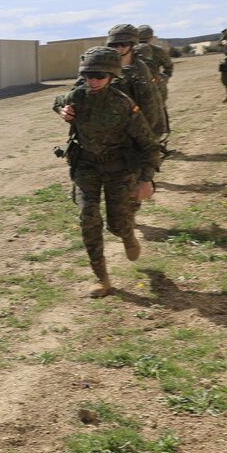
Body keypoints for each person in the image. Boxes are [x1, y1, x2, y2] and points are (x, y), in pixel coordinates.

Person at [53, 47, 161, 297]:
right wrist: (62, 110)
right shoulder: (78, 96)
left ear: (112, 76)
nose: (93, 80)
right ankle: (102, 279)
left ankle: (127, 235)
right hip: (86, 166)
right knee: (88, 218)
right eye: (88, 74)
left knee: (116, 223)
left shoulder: (124, 105)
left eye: (99, 75)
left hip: (118, 169)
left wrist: (145, 179)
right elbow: (59, 100)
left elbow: (149, 145)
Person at [103, 24, 166, 141]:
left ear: (132, 44)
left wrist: (153, 134)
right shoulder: (101, 65)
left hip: (138, 132)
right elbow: (78, 90)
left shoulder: (142, 68)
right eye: (114, 44)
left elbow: (152, 103)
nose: (119, 48)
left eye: (124, 44)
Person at [134, 24, 174, 103]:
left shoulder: (129, 51)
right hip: (156, 86)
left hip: (136, 88)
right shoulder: (158, 50)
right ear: (151, 37)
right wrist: (163, 78)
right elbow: (169, 67)